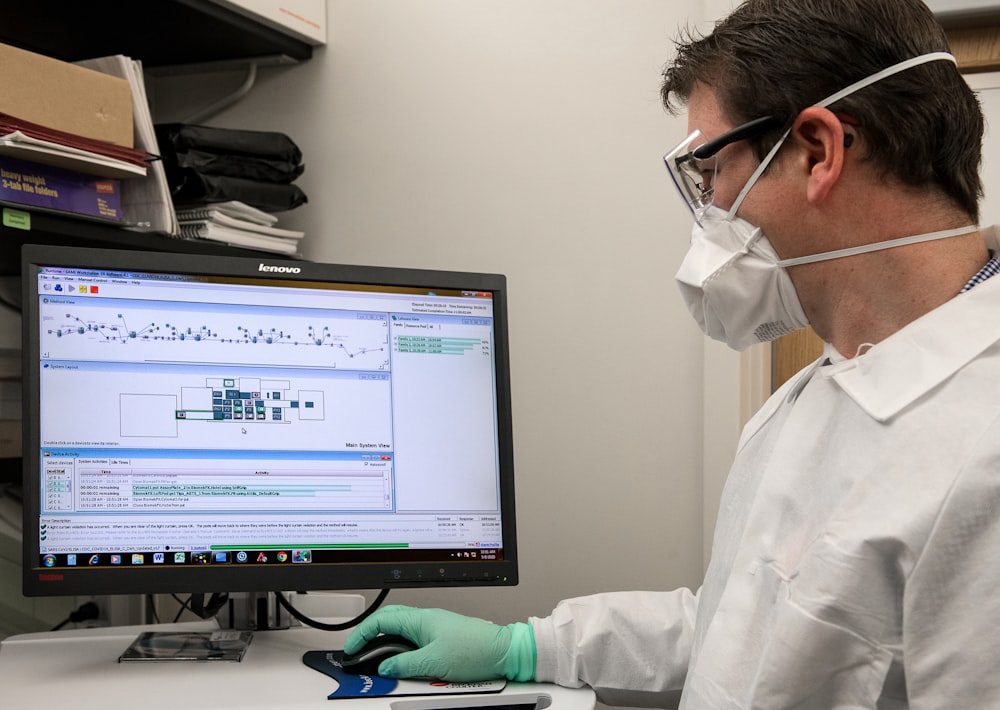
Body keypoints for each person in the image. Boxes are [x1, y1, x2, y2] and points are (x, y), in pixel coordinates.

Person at [345, 0, 1000, 706]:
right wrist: (527, 646)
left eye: (712, 171)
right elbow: (742, 629)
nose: (710, 207)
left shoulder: (980, 452)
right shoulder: (820, 394)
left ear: (817, 150)